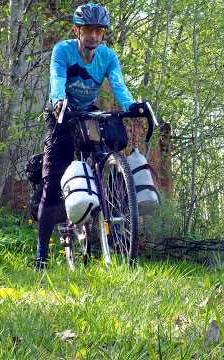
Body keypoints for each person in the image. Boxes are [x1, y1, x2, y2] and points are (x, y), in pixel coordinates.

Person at [35, 2, 141, 270]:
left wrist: (131, 106)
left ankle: (104, 229)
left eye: (99, 30)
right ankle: (42, 255)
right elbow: (56, 79)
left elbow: (118, 84)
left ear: (103, 34)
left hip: (89, 113)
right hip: (62, 113)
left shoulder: (108, 57)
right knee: (51, 183)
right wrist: (59, 100)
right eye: (88, 30)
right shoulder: (63, 51)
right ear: (77, 30)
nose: (94, 35)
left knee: (103, 161)